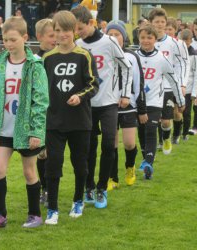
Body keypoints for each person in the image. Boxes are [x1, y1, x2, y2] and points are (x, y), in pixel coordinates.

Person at [0, 16, 49, 230]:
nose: (9, 44)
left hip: (26, 130)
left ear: (25, 37)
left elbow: (41, 101)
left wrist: (36, 131)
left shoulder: (35, 66)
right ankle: (0, 215)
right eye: (5, 40)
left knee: (29, 172)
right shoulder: (0, 64)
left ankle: (34, 214)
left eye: (13, 39)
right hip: (4, 128)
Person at [71, 5, 132, 208]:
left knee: (108, 144)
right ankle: (88, 186)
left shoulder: (109, 42)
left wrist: (125, 94)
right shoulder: (77, 44)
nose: (78, 33)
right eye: (75, 29)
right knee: (88, 147)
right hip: (86, 104)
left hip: (108, 103)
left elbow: (126, 66)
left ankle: (102, 188)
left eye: (80, 28)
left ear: (91, 23)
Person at [43, 10, 99, 225]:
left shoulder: (84, 55)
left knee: (79, 164)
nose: (62, 34)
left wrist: (79, 96)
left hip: (79, 121)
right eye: (58, 30)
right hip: (54, 121)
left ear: (74, 31)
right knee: (53, 165)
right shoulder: (47, 58)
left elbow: (93, 84)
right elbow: (40, 89)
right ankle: (53, 208)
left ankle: (78, 200)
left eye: (66, 30)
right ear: (53, 32)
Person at [136, 24, 185, 179]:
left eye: (149, 37)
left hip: (155, 101)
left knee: (150, 130)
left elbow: (174, 81)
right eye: (143, 37)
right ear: (139, 38)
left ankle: (149, 162)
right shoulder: (133, 57)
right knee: (141, 132)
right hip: (137, 102)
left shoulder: (161, 59)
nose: (146, 41)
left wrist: (180, 100)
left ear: (155, 39)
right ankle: (147, 158)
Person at [106, 20, 146, 189]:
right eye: (111, 34)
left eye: (117, 34)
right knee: (111, 144)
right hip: (109, 105)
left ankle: (130, 167)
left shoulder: (131, 56)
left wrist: (140, 108)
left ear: (124, 37)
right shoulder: (104, 54)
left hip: (129, 106)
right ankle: (112, 178)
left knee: (129, 143)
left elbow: (138, 83)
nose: (114, 37)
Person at [149, 8, 187, 155]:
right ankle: (153, 144)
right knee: (152, 120)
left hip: (168, 87)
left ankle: (166, 138)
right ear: (151, 23)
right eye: (156, 22)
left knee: (165, 121)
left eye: (162, 22)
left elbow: (181, 64)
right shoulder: (146, 41)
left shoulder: (173, 43)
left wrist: (182, 83)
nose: (159, 24)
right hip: (151, 88)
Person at [34, 18, 56, 206]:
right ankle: (45, 188)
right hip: (42, 113)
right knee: (43, 154)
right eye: (51, 35)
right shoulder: (35, 60)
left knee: (56, 154)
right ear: (39, 37)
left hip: (61, 113)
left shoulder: (62, 56)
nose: (55, 39)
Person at [165, 17, 189, 144]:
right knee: (162, 114)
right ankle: (164, 138)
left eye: (170, 29)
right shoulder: (159, 43)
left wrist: (183, 84)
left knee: (177, 111)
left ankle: (176, 134)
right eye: (166, 29)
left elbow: (185, 64)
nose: (167, 31)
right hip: (164, 84)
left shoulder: (180, 44)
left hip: (177, 82)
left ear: (175, 30)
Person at [180, 29, 197, 141]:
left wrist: (194, 92)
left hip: (188, 89)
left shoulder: (194, 55)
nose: (185, 44)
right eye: (183, 41)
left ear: (190, 41)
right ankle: (177, 132)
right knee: (176, 112)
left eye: (187, 41)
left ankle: (185, 133)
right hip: (177, 88)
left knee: (186, 113)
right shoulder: (176, 52)